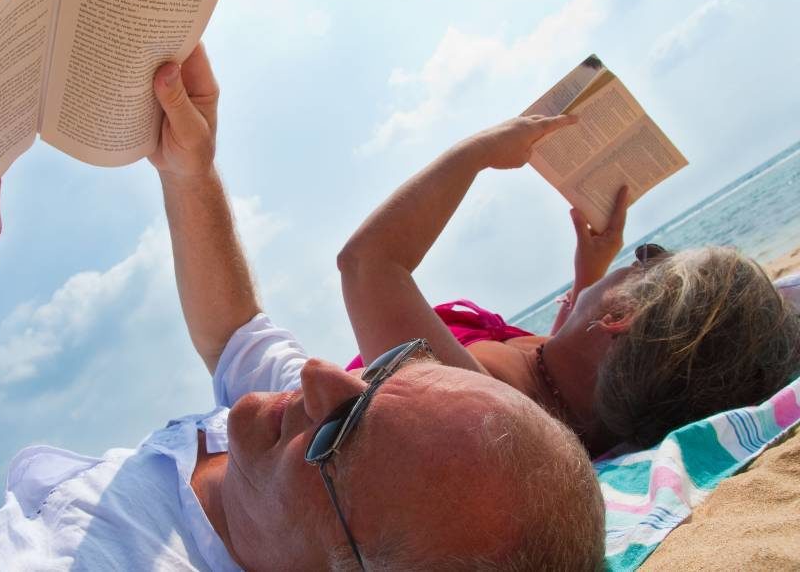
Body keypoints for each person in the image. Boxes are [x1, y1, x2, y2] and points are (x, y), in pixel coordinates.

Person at [0, 47, 605, 571]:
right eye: (393, 371)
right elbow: (238, 334)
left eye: (340, 432)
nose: (330, 373)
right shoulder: (312, 451)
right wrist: (188, 168)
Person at [337, 117, 800, 456]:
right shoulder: (589, 403)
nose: (637, 256)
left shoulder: (478, 403)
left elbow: (367, 263)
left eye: (649, 258)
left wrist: (477, 153)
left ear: (619, 316)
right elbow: (571, 354)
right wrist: (588, 273)